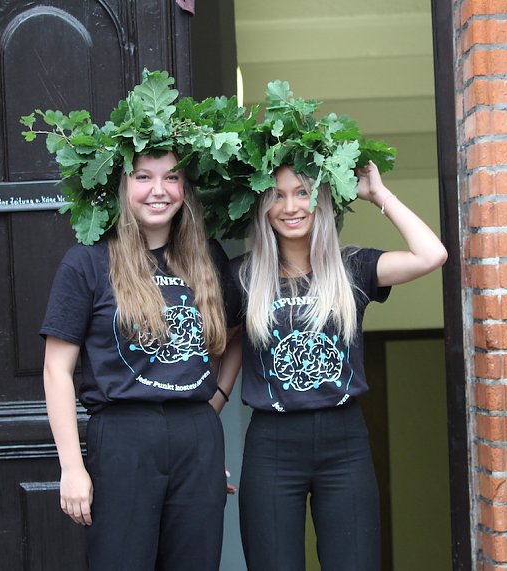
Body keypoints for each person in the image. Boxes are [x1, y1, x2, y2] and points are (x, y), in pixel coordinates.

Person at [32, 70, 240, 570]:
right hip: (123, 438)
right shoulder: (86, 262)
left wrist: (212, 405)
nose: (158, 190)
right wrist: (72, 468)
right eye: (144, 176)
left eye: (171, 177)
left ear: (186, 187)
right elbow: (56, 370)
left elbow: (234, 337)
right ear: (121, 184)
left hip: (197, 435)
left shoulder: (206, 258)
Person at [218, 158, 447, 570]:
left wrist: (379, 195)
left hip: (344, 443)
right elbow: (220, 346)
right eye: (277, 195)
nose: (291, 206)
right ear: (263, 207)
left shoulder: (352, 267)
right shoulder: (243, 276)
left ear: (322, 199)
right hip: (271, 445)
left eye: (302, 192)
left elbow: (431, 254)